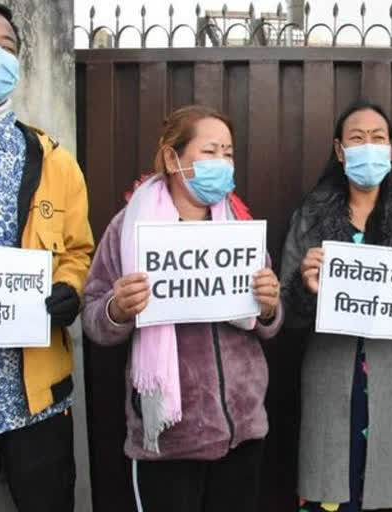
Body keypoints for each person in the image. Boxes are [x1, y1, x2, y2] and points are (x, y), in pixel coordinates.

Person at [82, 105, 282, 512]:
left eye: (228, 152)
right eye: (210, 152)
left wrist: (268, 306)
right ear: (173, 158)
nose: (223, 163)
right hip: (169, 442)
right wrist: (117, 310)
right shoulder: (130, 228)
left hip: (242, 433)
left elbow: (268, 323)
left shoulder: (239, 225)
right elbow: (93, 318)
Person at [280, 99, 392, 512]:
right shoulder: (309, 216)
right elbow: (285, 314)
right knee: (329, 493)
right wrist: (305, 288)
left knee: (388, 493)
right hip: (329, 377)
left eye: (378, 138)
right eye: (357, 138)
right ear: (339, 150)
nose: (369, 147)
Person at [0, 4, 94, 511]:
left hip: (33, 398)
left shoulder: (54, 161)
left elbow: (78, 251)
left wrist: (70, 289)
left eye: (7, 48)